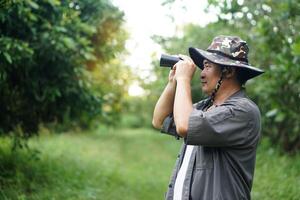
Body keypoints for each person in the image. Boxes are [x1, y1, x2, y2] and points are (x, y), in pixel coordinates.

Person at [152, 35, 264, 200]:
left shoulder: (243, 111)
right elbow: (159, 120)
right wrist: (173, 82)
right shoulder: (205, 107)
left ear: (229, 71)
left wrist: (184, 79)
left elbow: (185, 126)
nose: (201, 74)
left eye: (207, 66)